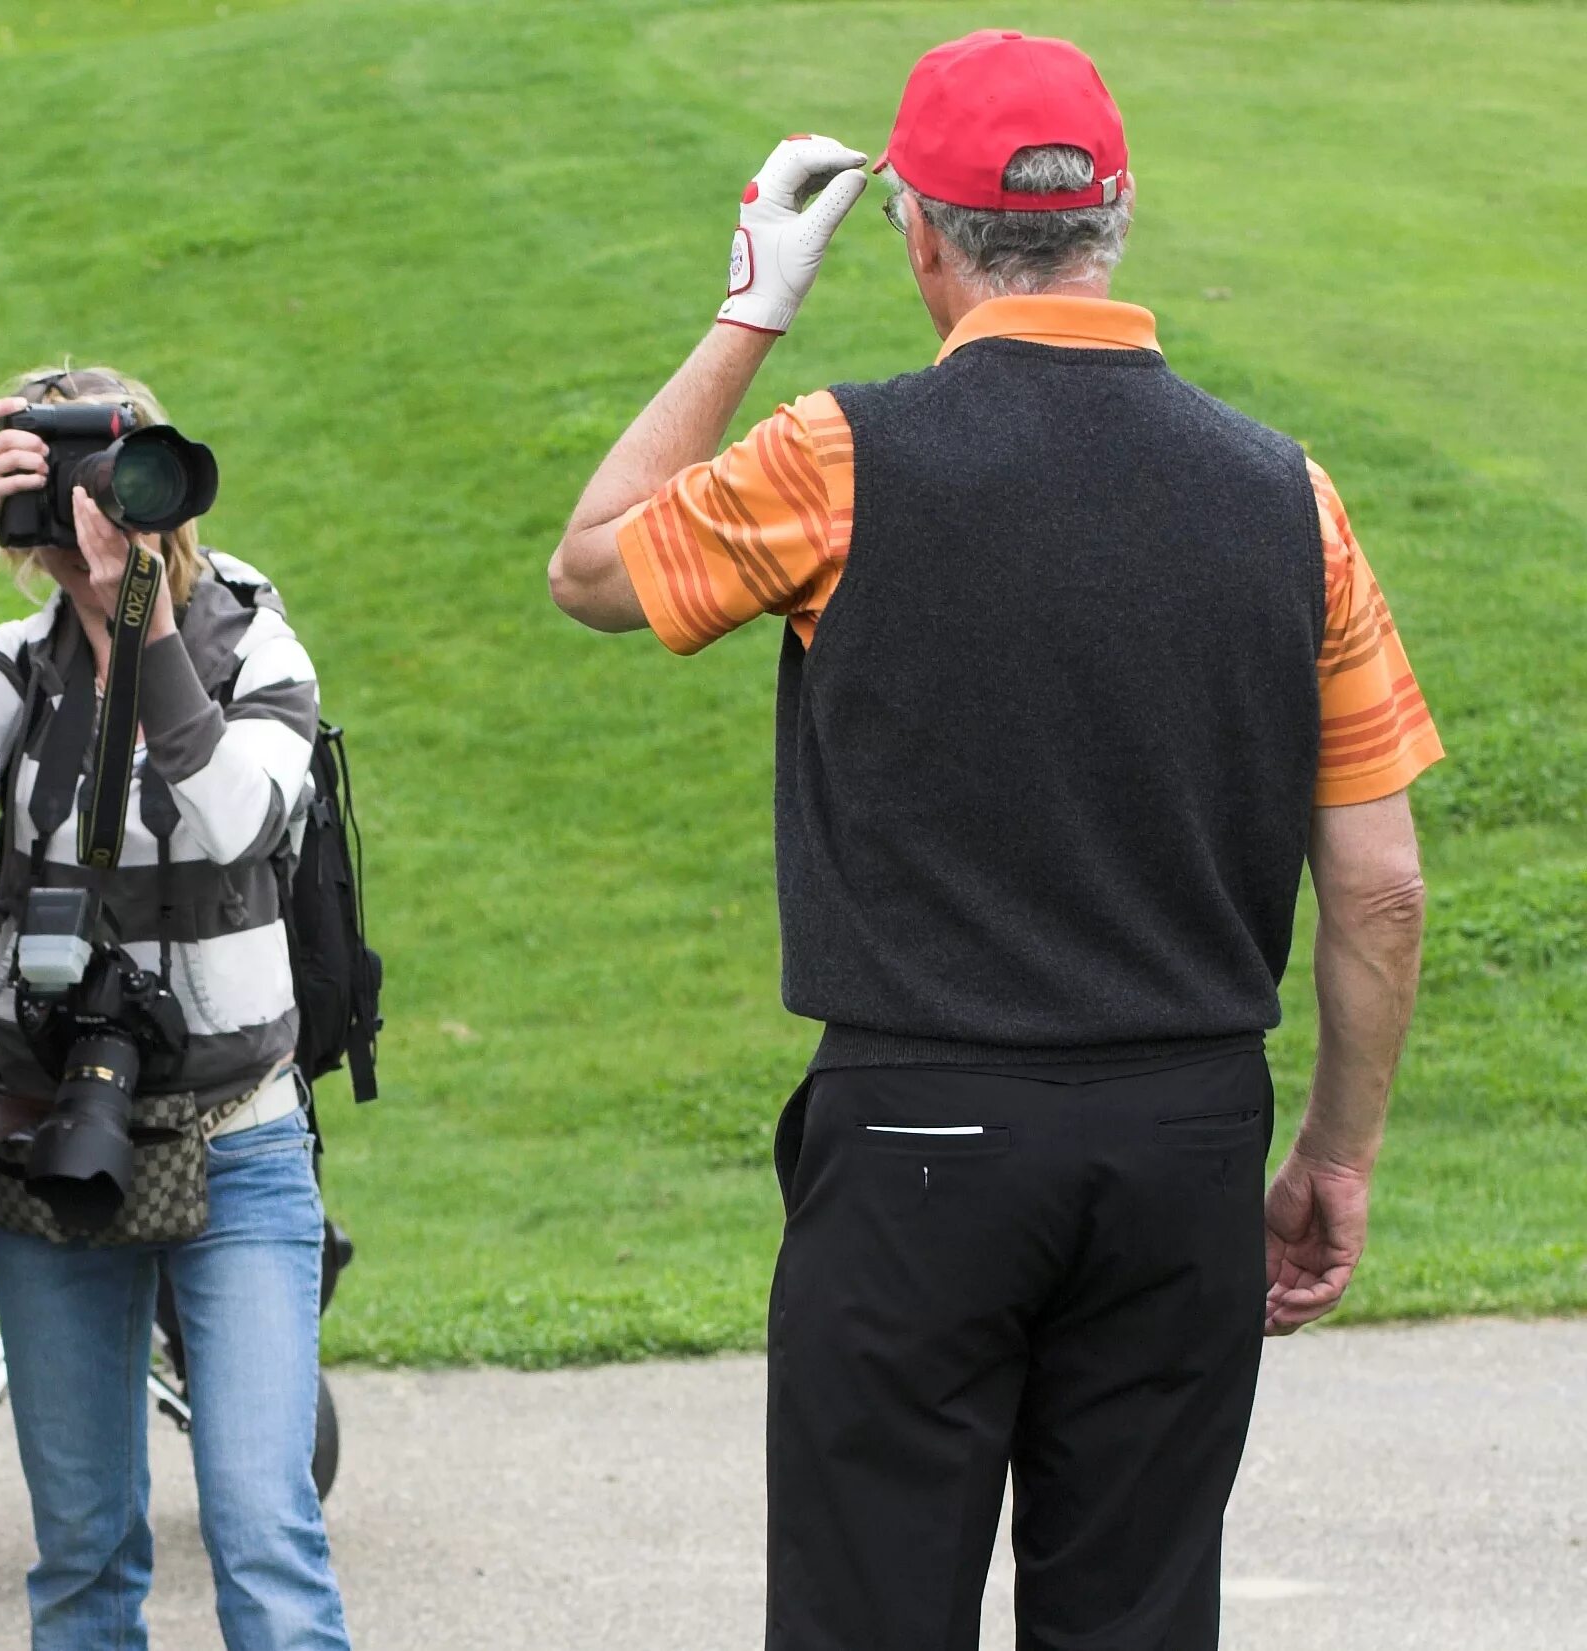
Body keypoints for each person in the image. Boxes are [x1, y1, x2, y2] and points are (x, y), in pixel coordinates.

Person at [546, 31, 1439, 1651]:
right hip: (1180, 1141)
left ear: (920, 238)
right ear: (1114, 221)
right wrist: (1331, 1151)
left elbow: (593, 569)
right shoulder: (1286, 496)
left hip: (918, 1139)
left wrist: (752, 305)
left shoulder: (840, 455)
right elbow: (1377, 881)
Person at [0, 365, 353, 1651]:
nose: (94, 506)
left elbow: (229, 817)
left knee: (264, 1529)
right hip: (55, 1133)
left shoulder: (253, 642)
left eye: (112, 469)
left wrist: (142, 617)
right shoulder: (24, 664)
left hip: (239, 1137)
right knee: (85, 1547)